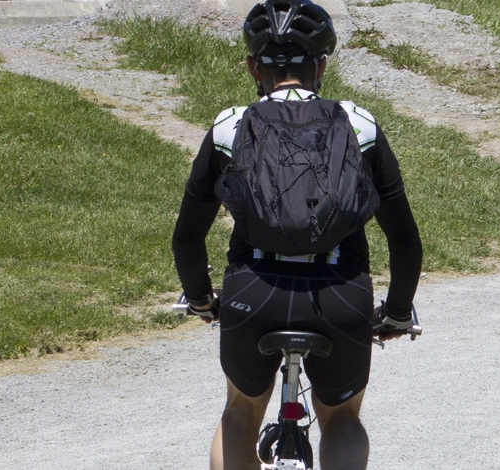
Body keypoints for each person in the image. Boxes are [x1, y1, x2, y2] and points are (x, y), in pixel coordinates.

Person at [170, 1, 422, 468]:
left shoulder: (229, 126)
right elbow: (404, 239)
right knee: (343, 419)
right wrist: (399, 312)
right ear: (322, 64)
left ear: (251, 67)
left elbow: (187, 236)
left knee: (240, 412)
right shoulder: (359, 125)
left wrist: (202, 299)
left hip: (254, 294)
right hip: (340, 296)